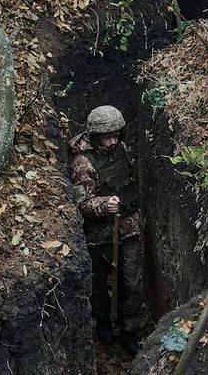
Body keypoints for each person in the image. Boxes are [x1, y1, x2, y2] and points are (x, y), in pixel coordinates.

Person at [68, 105, 147, 354]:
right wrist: (104, 204)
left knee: (132, 284)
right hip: (99, 236)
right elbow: (82, 204)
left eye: (116, 135)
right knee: (99, 287)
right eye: (107, 137)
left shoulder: (122, 149)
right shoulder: (83, 164)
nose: (113, 141)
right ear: (95, 136)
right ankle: (102, 323)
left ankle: (129, 330)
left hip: (129, 227)